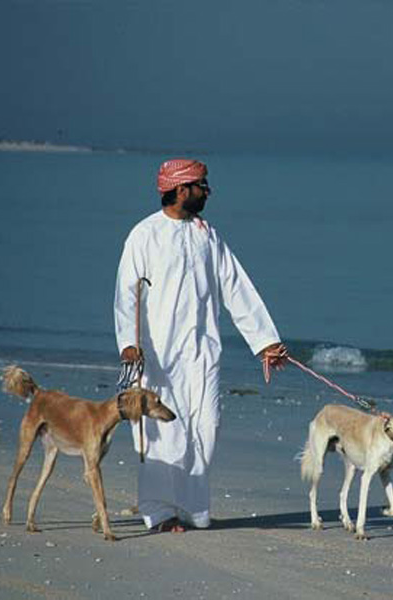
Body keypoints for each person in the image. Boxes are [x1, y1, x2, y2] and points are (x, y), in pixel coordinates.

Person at [114, 158, 287, 532]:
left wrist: (266, 342)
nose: (207, 191)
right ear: (180, 190)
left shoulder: (208, 235)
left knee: (207, 425)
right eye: (201, 185)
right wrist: (129, 342)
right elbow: (125, 296)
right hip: (158, 354)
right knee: (164, 434)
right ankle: (160, 512)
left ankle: (192, 509)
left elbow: (236, 287)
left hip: (204, 350)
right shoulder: (144, 235)